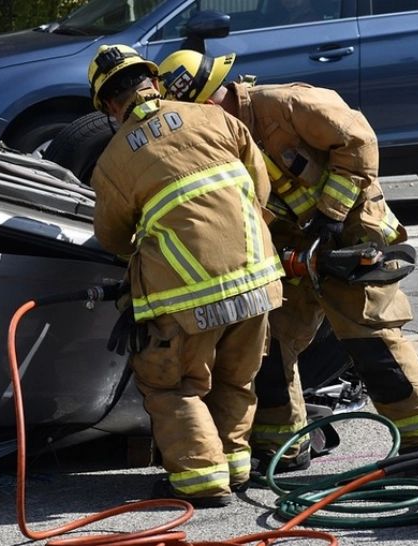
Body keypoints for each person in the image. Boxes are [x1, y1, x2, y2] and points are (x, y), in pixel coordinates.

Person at [156, 49, 418, 470]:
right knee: (269, 344)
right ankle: (284, 448)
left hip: (350, 234)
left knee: (370, 338)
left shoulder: (286, 104)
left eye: (202, 109)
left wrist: (331, 214)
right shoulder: (218, 140)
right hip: (297, 252)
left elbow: (359, 141)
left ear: (216, 96)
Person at [87, 44, 285, 507]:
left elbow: (113, 237)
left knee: (173, 385)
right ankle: (236, 468)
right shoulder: (214, 118)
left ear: (110, 105)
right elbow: (261, 188)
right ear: (154, 82)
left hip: (186, 298)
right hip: (258, 280)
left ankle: (202, 481)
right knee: (237, 379)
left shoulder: (113, 161)